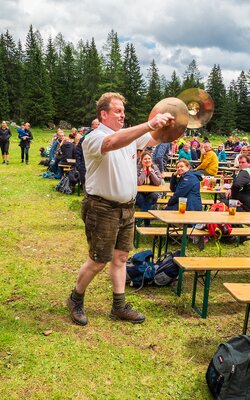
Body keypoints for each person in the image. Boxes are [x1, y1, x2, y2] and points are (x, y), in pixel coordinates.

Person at [67, 92, 174, 326]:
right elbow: (112, 143)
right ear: (103, 114)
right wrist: (148, 124)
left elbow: (157, 138)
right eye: (117, 111)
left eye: (124, 111)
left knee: (121, 258)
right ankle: (75, 298)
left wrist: (180, 121)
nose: (122, 115)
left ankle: (118, 306)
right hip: (102, 208)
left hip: (127, 208)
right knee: (98, 260)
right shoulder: (94, 137)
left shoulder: (130, 138)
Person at [136, 151, 162, 226]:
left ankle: (138, 222)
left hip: (151, 193)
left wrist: (151, 172)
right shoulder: (137, 168)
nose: (147, 160)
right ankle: (147, 224)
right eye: (145, 159)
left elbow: (158, 183)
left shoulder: (155, 167)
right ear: (141, 160)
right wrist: (144, 171)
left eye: (149, 159)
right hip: (139, 193)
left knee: (152, 197)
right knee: (145, 203)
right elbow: (139, 182)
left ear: (151, 159)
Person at [75, 118, 100, 188]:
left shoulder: (103, 136)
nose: (100, 126)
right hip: (85, 168)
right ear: (92, 126)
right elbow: (78, 152)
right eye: (98, 124)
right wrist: (79, 166)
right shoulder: (85, 137)